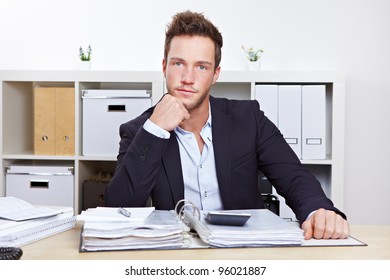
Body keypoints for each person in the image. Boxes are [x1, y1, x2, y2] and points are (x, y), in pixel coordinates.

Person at [105, 10, 349, 240]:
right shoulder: (140, 131)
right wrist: (155, 130)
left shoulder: (248, 118)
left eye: (201, 66)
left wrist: (318, 211)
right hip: (178, 255)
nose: (188, 78)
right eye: (178, 63)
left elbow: (294, 176)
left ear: (216, 74)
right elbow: (116, 209)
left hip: (243, 252)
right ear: (164, 67)